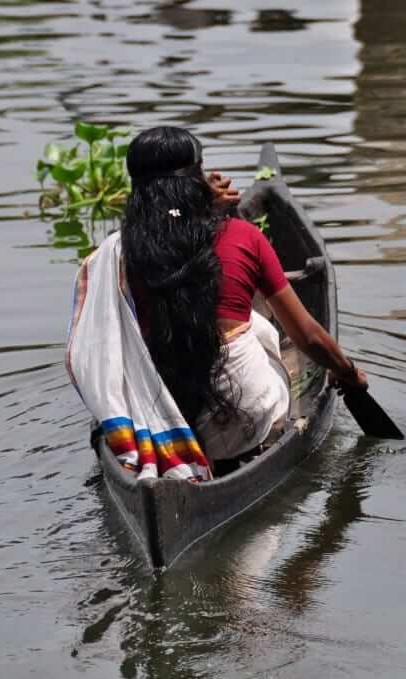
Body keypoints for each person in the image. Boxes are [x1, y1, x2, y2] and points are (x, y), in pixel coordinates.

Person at [121, 126, 367, 471]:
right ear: (196, 179)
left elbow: (167, 219)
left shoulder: (118, 254)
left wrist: (192, 206)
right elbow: (308, 337)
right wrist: (349, 372)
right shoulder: (242, 236)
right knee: (262, 329)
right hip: (241, 422)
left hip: (160, 421)